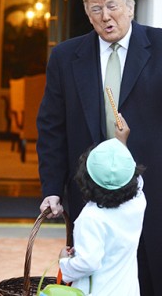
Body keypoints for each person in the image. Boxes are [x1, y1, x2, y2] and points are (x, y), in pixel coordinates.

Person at [36, 0, 162, 295]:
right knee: (97, 271)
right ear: (87, 14)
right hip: (93, 187)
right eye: (96, 9)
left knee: (161, 269)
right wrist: (51, 188)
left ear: (130, 7)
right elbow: (51, 127)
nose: (106, 16)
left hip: (157, 182)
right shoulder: (65, 57)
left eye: (112, 6)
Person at [59, 115, 146, 296]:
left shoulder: (91, 217)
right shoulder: (137, 204)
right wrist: (121, 141)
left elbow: (88, 263)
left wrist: (65, 262)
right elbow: (133, 178)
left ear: (85, 178)